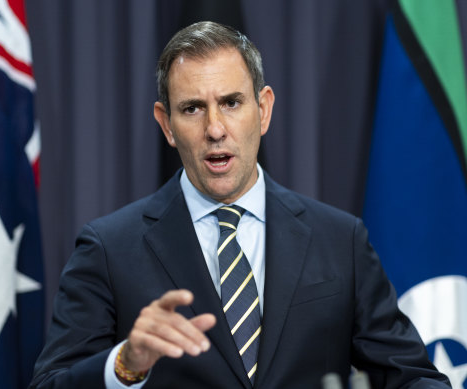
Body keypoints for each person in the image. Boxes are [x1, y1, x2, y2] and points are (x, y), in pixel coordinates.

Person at [29, 21, 450, 388]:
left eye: (231, 103)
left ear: (263, 110)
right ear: (166, 125)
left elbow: (412, 378)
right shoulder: (109, 249)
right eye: (192, 108)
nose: (215, 129)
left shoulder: (340, 240)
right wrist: (124, 366)